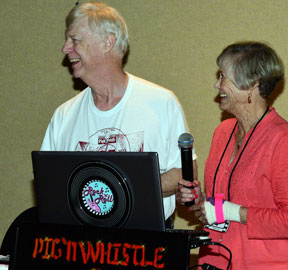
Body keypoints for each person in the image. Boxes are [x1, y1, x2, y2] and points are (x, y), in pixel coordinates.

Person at [41, 2, 197, 221]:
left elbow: (184, 174)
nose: (65, 48)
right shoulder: (63, 116)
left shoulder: (161, 102)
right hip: (80, 247)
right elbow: (49, 187)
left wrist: (116, 186)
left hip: (146, 246)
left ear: (107, 42)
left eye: (75, 40)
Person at [177, 42, 288, 269]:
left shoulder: (282, 139)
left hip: (270, 263)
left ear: (253, 84)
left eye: (223, 76)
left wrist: (232, 211)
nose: (216, 84)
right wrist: (200, 202)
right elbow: (222, 205)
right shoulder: (223, 132)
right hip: (218, 259)